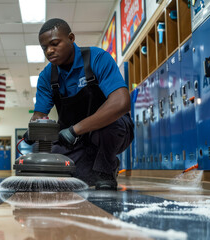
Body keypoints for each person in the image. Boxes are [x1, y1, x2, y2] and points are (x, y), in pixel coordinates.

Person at [25, 18, 134, 190]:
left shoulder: (97, 58)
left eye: (55, 43)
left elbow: (122, 102)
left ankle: (106, 170)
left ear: (71, 38)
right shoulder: (47, 76)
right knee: (51, 158)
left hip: (111, 131)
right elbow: (39, 114)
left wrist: (76, 129)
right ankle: (91, 170)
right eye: (44, 48)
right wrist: (35, 127)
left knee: (108, 127)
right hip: (75, 139)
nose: (49, 51)